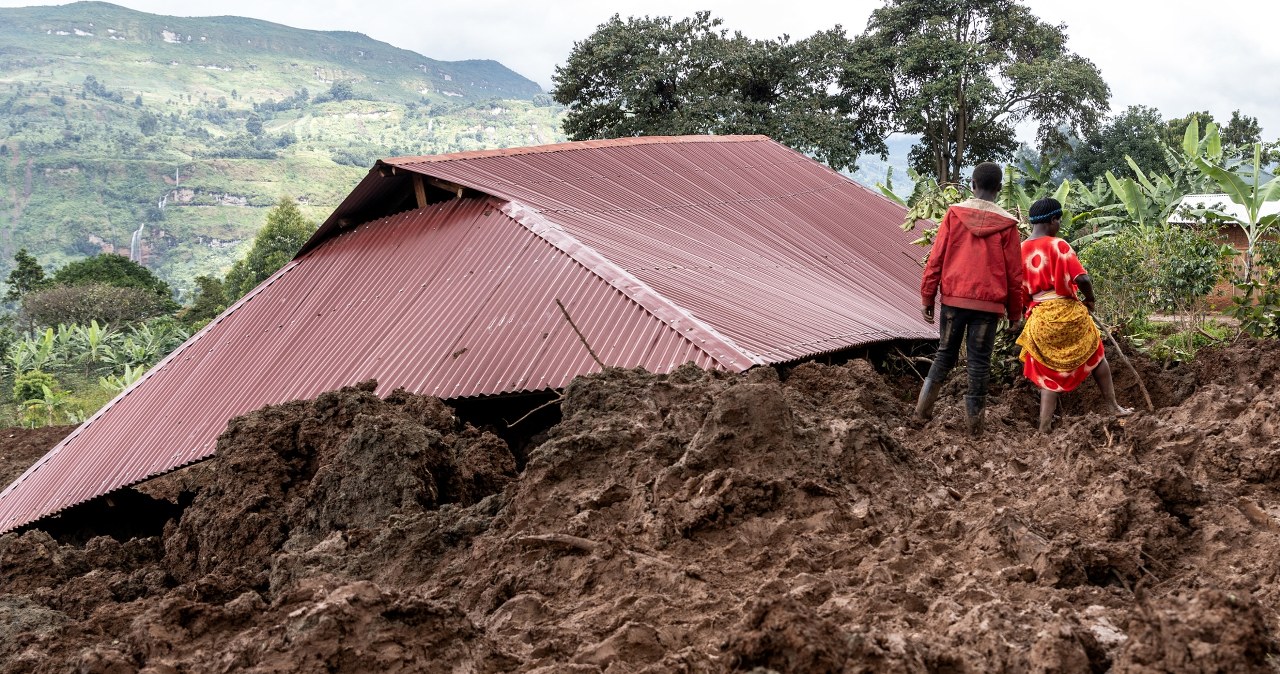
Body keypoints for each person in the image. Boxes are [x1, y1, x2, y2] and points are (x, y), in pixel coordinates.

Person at [915, 162, 1024, 435]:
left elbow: (936, 258)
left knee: (944, 355)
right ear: (999, 188)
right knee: (979, 363)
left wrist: (928, 296)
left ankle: (921, 414)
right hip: (988, 307)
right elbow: (1014, 274)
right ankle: (975, 427)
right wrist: (1015, 314)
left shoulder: (954, 214)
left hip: (954, 300)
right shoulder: (1008, 225)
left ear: (972, 184)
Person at [1016, 197, 1132, 433]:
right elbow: (1082, 278)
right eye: (1059, 220)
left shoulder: (1019, 250)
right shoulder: (1059, 245)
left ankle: (1044, 427)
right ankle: (1113, 407)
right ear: (1053, 220)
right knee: (1097, 355)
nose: (1059, 225)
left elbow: (1017, 290)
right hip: (1069, 314)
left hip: (1040, 318)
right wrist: (1090, 300)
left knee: (1048, 372)